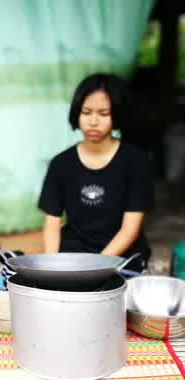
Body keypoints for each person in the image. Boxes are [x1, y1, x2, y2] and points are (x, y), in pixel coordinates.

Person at [38, 73, 154, 272]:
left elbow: (130, 229)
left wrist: (97, 269)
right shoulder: (61, 164)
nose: (93, 121)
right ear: (77, 113)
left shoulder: (136, 161)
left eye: (103, 113)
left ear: (117, 114)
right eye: (86, 112)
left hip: (122, 257)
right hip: (74, 254)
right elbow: (52, 223)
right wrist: (52, 265)